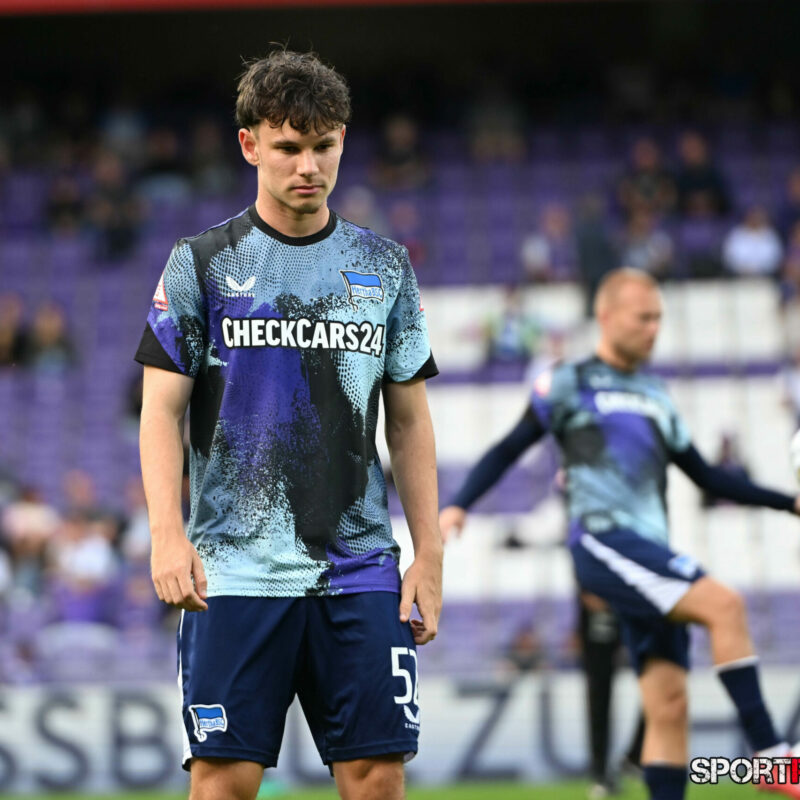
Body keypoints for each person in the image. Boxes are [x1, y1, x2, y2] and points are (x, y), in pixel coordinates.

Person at [135, 49, 442, 800]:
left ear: (343, 141)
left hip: (359, 567)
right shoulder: (200, 264)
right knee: (224, 783)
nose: (309, 166)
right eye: (288, 147)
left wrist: (428, 553)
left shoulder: (386, 267)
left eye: (323, 146)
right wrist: (167, 534)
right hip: (234, 571)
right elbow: (160, 411)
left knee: (376, 777)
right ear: (250, 145)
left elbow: (409, 423)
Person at [439, 268, 800, 800]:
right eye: (643, 317)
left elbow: (707, 477)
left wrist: (789, 503)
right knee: (725, 606)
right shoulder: (569, 381)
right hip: (603, 541)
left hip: (650, 552)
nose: (654, 329)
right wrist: (459, 504)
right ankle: (772, 758)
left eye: (659, 319)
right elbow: (508, 447)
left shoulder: (656, 394)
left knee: (668, 704)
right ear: (605, 316)